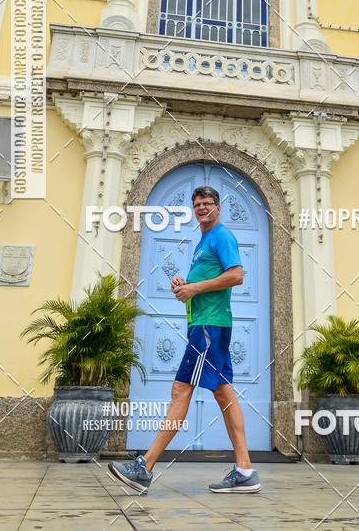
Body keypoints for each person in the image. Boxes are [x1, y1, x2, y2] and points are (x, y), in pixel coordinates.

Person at [108, 185, 261, 495]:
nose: (202, 208)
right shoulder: (203, 241)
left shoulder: (221, 236)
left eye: (207, 203)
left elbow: (236, 276)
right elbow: (204, 284)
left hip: (209, 328)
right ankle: (245, 470)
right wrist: (185, 286)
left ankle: (144, 467)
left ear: (218, 208)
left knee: (180, 389)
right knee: (223, 394)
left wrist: (195, 288)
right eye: (197, 204)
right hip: (206, 325)